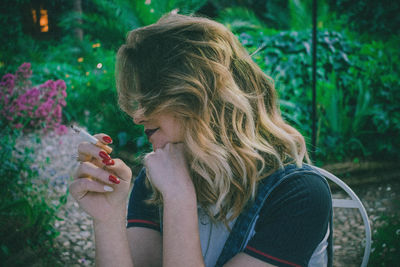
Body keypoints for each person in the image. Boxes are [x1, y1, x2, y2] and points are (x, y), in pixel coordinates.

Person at [69, 13, 333, 267]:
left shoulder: (300, 194)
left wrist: (179, 199)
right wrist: (108, 217)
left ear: (202, 99)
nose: (137, 117)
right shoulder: (156, 181)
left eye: (151, 96)